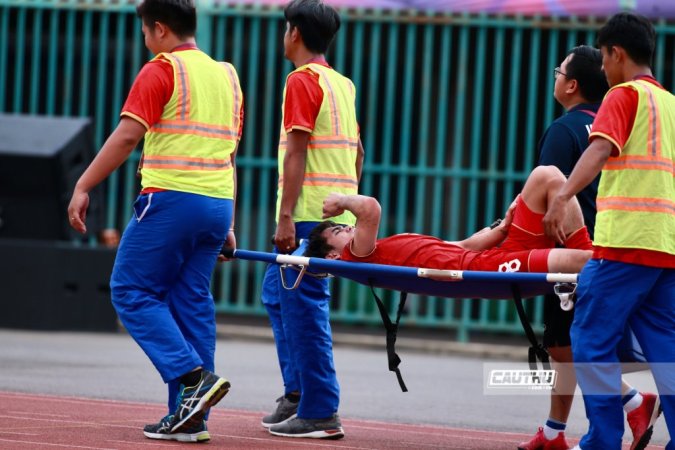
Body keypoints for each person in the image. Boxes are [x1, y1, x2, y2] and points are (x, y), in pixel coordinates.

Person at [67, 0, 243, 443]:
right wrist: (229, 219)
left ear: (160, 29)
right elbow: (229, 152)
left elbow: (128, 135)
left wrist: (83, 185)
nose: (145, 41)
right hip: (216, 203)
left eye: (146, 32)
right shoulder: (227, 75)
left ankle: (192, 379)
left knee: (130, 290)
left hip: (171, 201)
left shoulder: (162, 69)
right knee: (191, 302)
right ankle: (191, 419)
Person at [543, 12, 675, 450]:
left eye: (602, 57)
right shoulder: (670, 103)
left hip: (624, 243)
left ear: (617, 53)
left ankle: (601, 440)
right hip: (664, 245)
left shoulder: (622, 95)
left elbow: (600, 148)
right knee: (665, 350)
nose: (601, 67)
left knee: (590, 339)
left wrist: (561, 197)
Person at [520, 45, 659, 450]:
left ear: (572, 85)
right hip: (611, 244)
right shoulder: (610, 123)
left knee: (572, 343)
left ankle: (634, 401)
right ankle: (553, 432)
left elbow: (550, 193)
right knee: (567, 343)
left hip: (569, 251)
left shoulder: (563, 130)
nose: (556, 78)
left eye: (558, 71)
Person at [260, 0, 364, 440]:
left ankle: (320, 408)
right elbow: (357, 152)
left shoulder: (301, 81)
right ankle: (298, 393)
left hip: (308, 215)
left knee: (304, 308)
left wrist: (285, 215)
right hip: (333, 212)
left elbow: (298, 150)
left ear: (295, 33)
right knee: (275, 293)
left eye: (285, 29)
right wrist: (349, 208)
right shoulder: (342, 83)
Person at [305, 166, 592, 275]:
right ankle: (607, 267)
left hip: (491, 256)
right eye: (341, 230)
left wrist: (501, 228)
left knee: (548, 175)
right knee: (584, 263)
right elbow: (370, 208)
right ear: (333, 254)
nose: (350, 226)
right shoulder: (357, 256)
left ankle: (596, 261)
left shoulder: (385, 249)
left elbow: (463, 244)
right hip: (488, 269)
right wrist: (342, 200)